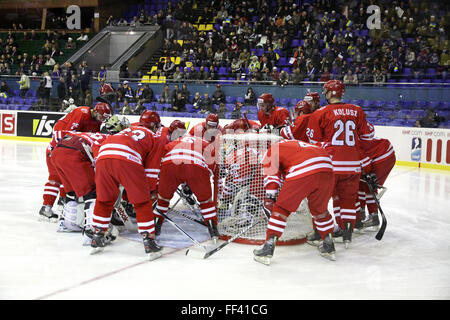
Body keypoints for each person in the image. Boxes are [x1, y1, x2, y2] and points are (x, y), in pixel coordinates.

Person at [306, 80, 375, 248]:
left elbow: (313, 140)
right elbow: (368, 136)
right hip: (353, 165)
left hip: (332, 165)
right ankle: (347, 234)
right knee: (348, 200)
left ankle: (322, 233)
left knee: (321, 200)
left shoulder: (321, 113)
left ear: (330, 93)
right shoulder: (357, 110)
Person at [89, 117, 163, 259]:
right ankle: (149, 242)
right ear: (155, 127)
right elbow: (151, 170)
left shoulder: (127, 130)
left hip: (103, 157)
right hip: (127, 159)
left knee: (104, 199)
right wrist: (150, 191)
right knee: (142, 202)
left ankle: (97, 236)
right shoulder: (155, 137)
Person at [253, 140, 336, 264]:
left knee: (281, 209)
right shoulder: (295, 145)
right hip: (328, 169)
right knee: (320, 210)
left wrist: (270, 197)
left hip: (304, 168)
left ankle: (268, 247)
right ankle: (328, 244)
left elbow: (272, 176)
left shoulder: (271, 150)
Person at [51, 116, 130, 233]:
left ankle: (67, 223)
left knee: (71, 192)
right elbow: (100, 161)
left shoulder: (94, 134)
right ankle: (92, 230)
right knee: (91, 193)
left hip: (57, 152)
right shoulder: (109, 140)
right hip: (75, 154)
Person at [38, 102, 113, 222]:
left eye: (105, 118)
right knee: (55, 178)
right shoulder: (81, 113)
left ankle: (64, 205)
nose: (102, 120)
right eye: (102, 116)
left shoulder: (97, 121)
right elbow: (67, 133)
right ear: (95, 111)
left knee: (68, 180)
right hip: (58, 147)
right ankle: (46, 207)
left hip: (69, 149)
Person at [153, 135, 219, 242]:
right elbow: (212, 159)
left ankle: (155, 227)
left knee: (163, 200)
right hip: (195, 164)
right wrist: (205, 175)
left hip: (170, 163)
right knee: (206, 201)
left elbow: (161, 156)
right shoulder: (204, 143)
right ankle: (213, 230)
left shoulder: (174, 141)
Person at [357, 137, 396, 230]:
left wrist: (367, 174)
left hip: (384, 155)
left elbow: (364, 161)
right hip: (380, 153)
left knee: (368, 185)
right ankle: (361, 213)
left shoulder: (351, 146)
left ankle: (373, 217)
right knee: (361, 183)